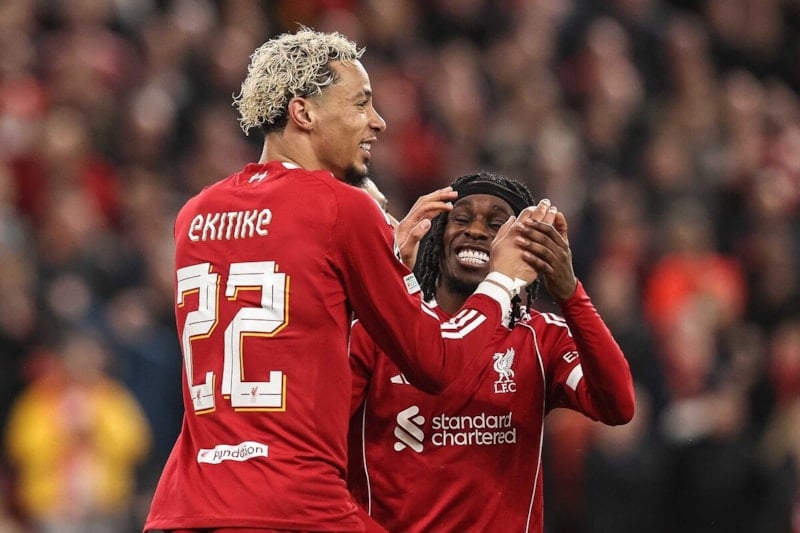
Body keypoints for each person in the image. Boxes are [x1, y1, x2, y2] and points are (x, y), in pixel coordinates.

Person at [143, 28, 546, 532]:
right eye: (360, 103)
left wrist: (385, 267)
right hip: (293, 507)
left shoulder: (194, 215)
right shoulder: (343, 209)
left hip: (186, 506)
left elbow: (294, 324)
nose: (378, 121)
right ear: (304, 113)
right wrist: (501, 281)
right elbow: (436, 362)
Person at [347, 170, 636, 532]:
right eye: (461, 219)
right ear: (438, 234)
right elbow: (320, 453)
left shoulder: (541, 337)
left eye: (497, 225)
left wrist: (570, 293)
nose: (476, 231)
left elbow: (618, 405)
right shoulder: (381, 332)